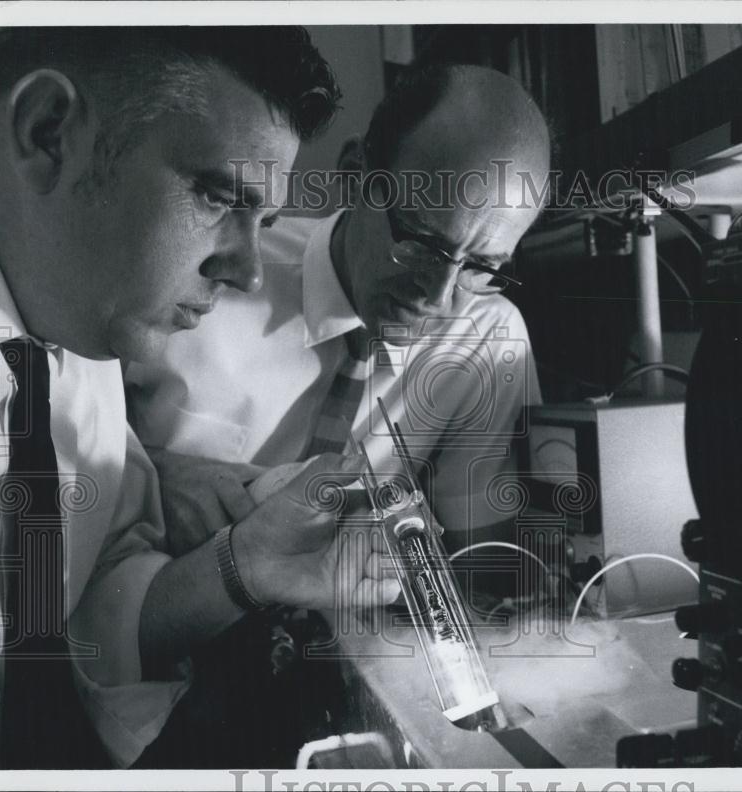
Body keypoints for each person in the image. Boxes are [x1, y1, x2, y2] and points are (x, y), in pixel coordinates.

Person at [0, 26, 397, 770]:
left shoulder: (80, 327)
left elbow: (88, 620)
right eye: (218, 197)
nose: (249, 273)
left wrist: (246, 563)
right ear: (48, 132)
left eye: (264, 223)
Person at [125, 64, 552, 560]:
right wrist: (148, 475)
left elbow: (482, 563)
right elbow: (58, 433)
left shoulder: (488, 340)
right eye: (420, 243)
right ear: (353, 178)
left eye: (482, 266)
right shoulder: (198, 272)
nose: (438, 297)